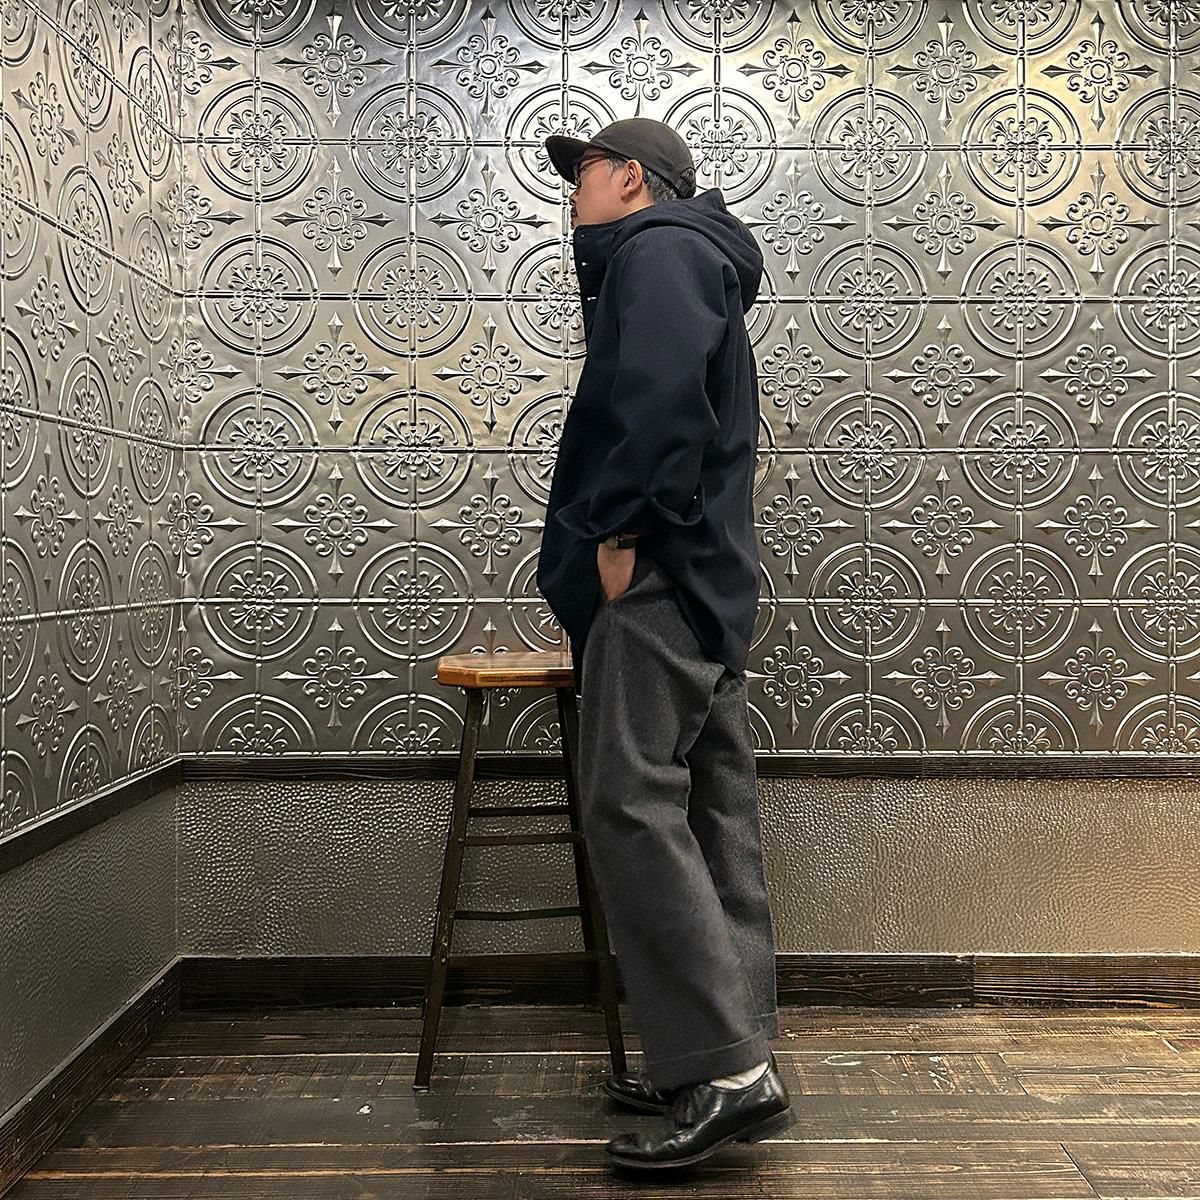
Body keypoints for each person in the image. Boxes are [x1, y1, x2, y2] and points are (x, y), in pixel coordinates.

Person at [536, 117, 792, 1171]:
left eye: (583, 174)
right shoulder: (692, 257)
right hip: (708, 584)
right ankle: (729, 1055)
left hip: (661, 580)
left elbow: (657, 405)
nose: (574, 195)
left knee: (628, 802)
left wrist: (619, 537)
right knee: (713, 810)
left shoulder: (659, 250)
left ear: (631, 178)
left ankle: (725, 1070)